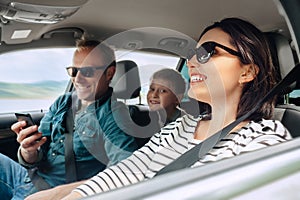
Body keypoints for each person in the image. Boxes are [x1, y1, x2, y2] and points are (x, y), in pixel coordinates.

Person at [27, 17, 292, 200]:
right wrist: (69, 195)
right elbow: (130, 171)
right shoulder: (182, 126)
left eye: (209, 51)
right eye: (192, 52)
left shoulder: (265, 139)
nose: (192, 60)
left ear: (247, 71)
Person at [0, 39, 140, 199]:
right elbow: (38, 153)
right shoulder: (63, 101)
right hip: (28, 179)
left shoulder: (113, 114)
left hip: (59, 193)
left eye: (87, 71)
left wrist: (56, 194)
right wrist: (28, 151)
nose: (78, 79)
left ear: (109, 73)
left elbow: (126, 171)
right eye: (74, 71)